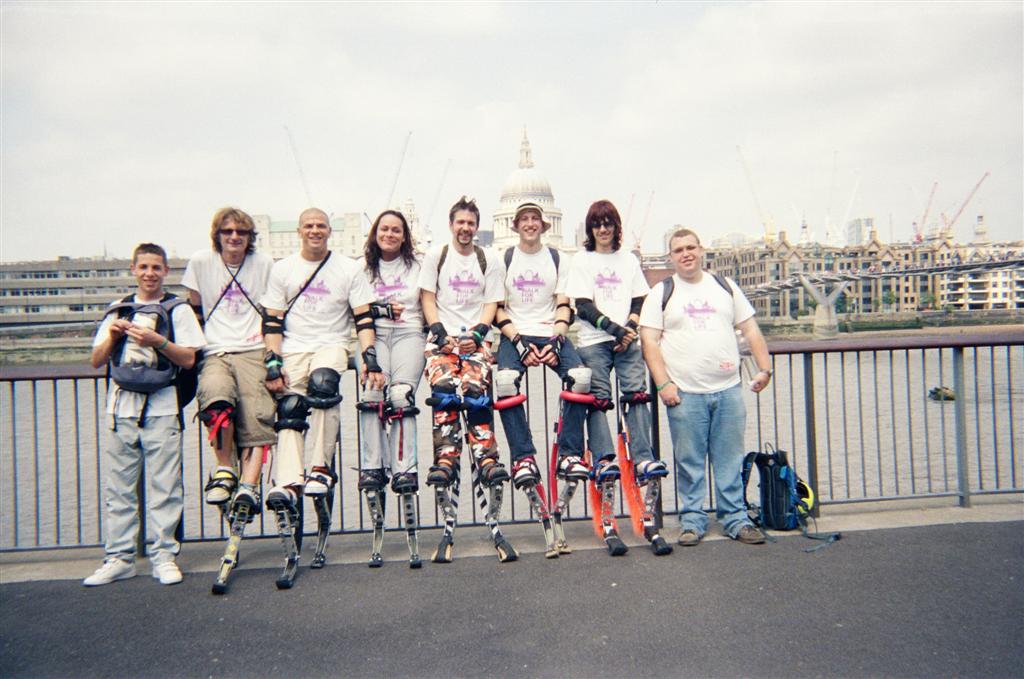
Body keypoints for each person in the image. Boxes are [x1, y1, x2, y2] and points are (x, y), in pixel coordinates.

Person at [639, 227, 773, 546]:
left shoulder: (724, 287)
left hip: (728, 389)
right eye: (678, 250)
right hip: (685, 393)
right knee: (689, 462)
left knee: (730, 458)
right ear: (671, 257)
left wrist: (765, 369)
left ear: (701, 251)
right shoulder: (662, 292)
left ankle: (735, 518)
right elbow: (649, 341)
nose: (686, 254)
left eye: (691, 247)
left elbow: (750, 330)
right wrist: (664, 384)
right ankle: (693, 519)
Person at [84, 243, 205, 586]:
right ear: (134, 270)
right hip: (120, 409)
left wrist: (156, 341)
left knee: (165, 486)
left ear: (166, 271)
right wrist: (112, 335)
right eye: (144, 267)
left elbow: (189, 359)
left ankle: (163, 555)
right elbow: (96, 360)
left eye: (156, 267)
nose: (150, 273)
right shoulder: (118, 310)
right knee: (118, 488)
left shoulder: (177, 310)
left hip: (163, 407)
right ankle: (119, 557)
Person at [260, 208, 384, 515]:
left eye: (321, 226)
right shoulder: (283, 269)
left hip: (332, 343)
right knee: (290, 408)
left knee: (324, 386)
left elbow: (364, 319)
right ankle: (288, 480)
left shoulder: (347, 268)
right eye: (309, 226)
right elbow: (272, 323)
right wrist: (273, 362)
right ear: (299, 231)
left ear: (330, 231)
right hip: (293, 347)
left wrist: (370, 358)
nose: (315, 231)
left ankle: (320, 466)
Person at [418, 196, 512, 562]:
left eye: (471, 223)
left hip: (475, 339)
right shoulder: (436, 256)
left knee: (475, 395)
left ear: (476, 225)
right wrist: (439, 330)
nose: (465, 228)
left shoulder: (486, 259)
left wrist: (479, 331)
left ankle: (486, 458)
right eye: (460, 222)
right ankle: (446, 459)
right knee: (444, 394)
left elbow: (492, 301)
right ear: (451, 224)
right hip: (442, 340)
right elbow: (428, 297)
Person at [565, 200, 667, 484]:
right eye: (596, 224)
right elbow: (583, 306)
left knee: (637, 395)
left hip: (626, 340)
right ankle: (604, 458)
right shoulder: (582, 260)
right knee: (598, 400)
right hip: (594, 340)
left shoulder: (628, 259)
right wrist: (615, 330)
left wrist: (630, 327)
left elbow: (639, 298)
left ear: (616, 226)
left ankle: (644, 458)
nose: (602, 229)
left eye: (607, 223)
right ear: (590, 229)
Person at [182, 207, 275, 519]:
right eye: (228, 232)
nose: (234, 237)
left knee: (258, 418)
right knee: (216, 402)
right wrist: (192, 354)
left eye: (241, 232)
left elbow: (272, 312)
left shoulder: (262, 264)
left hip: (253, 348)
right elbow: (193, 310)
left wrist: (274, 358)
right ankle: (225, 470)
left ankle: (249, 485)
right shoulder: (201, 262)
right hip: (215, 349)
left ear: (249, 238)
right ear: (217, 235)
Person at [493, 201, 590, 490]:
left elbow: (564, 306)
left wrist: (558, 340)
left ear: (544, 224)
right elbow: (497, 308)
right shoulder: (503, 258)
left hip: (549, 331)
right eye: (524, 219)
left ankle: (569, 454)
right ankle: (523, 457)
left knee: (581, 379)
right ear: (515, 224)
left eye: (535, 218)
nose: (530, 224)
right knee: (506, 381)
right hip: (515, 334)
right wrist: (519, 342)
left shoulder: (560, 259)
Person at [355, 210, 425, 567]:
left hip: (410, 332)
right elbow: (356, 308)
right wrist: (381, 307)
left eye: (396, 229)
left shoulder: (418, 266)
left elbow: (429, 303)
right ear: (375, 233)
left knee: (401, 395)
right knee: (370, 392)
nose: (390, 234)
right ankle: (373, 467)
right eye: (384, 228)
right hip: (375, 334)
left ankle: (404, 468)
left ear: (404, 235)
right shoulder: (361, 268)